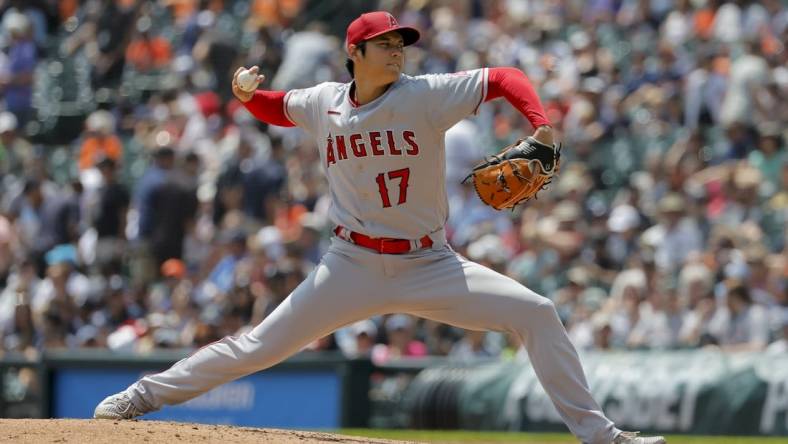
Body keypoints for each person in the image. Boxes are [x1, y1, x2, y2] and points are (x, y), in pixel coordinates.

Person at [93, 11, 664, 444]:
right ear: (355, 52)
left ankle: (602, 437)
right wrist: (247, 97)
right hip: (351, 264)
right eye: (385, 44)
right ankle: (139, 397)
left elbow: (505, 76)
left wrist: (541, 125)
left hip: (430, 262)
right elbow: (277, 106)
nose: (397, 52)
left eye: (400, 44)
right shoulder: (323, 102)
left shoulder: (426, 96)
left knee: (536, 311)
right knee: (258, 346)